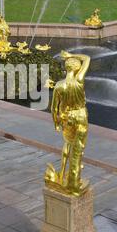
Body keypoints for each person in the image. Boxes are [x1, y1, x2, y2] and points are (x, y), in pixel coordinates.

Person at [45, 51, 90, 196]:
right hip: (81, 115)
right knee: (79, 147)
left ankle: (64, 173)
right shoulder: (79, 80)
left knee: (68, 143)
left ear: (66, 68)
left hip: (67, 117)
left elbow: (54, 108)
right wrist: (71, 55)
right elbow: (87, 58)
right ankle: (73, 180)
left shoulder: (59, 85)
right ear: (77, 68)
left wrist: (56, 123)